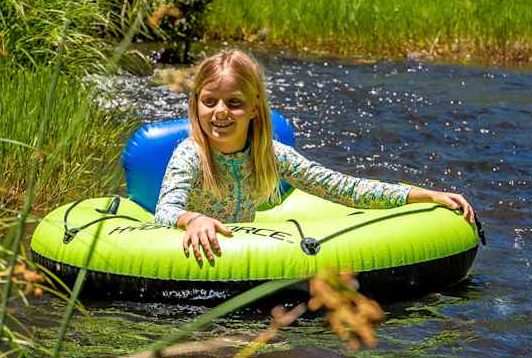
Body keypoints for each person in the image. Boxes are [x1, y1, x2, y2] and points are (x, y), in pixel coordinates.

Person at [154, 49, 476, 262]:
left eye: (234, 103)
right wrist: (193, 220)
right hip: (195, 264)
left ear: (254, 108)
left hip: (244, 264)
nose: (220, 112)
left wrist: (423, 195)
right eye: (209, 101)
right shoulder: (191, 155)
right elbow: (165, 210)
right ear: (197, 103)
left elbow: (341, 187)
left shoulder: (271, 155)